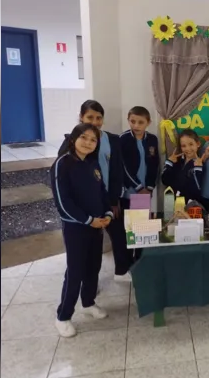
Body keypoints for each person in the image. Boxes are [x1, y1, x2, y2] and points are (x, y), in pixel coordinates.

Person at [50, 123, 112, 338]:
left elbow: (102, 193)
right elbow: (63, 202)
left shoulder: (92, 164)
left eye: (93, 140)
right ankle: (63, 316)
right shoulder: (62, 164)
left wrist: (108, 214)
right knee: (75, 271)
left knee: (93, 266)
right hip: (76, 228)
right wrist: (88, 220)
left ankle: (88, 302)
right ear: (73, 139)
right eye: (84, 138)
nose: (88, 143)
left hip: (96, 226)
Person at [58, 100, 131, 281]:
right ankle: (87, 283)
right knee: (86, 248)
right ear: (81, 117)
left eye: (99, 118)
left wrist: (114, 200)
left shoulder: (112, 140)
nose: (95, 121)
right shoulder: (73, 141)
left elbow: (116, 170)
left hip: (108, 199)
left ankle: (121, 271)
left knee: (119, 235)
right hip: (85, 204)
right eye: (90, 117)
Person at [120, 106, 160, 265]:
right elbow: (123, 167)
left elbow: (154, 164)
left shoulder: (152, 139)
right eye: (133, 121)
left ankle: (140, 261)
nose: (136, 125)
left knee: (141, 228)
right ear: (128, 120)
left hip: (144, 193)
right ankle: (128, 263)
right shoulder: (123, 139)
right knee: (129, 230)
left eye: (140, 122)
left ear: (148, 123)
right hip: (130, 192)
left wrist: (149, 187)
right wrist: (138, 187)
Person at [162, 128, 205, 203]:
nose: (187, 148)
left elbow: (196, 190)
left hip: (188, 207)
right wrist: (169, 163)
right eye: (183, 146)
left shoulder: (200, 165)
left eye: (191, 144)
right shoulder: (176, 161)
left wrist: (197, 170)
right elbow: (165, 181)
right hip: (171, 202)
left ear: (198, 144)